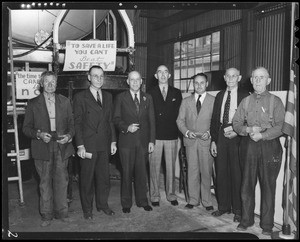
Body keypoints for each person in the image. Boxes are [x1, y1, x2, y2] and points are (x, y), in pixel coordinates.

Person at [232, 67, 285, 236]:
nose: (258, 81)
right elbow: (237, 124)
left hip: (270, 146)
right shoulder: (245, 101)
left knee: (268, 186)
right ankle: (246, 220)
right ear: (251, 80)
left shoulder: (275, 101)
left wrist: (263, 135)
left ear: (268, 81)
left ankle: (267, 225)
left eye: (261, 78)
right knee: (247, 184)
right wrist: (248, 130)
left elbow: (281, 127)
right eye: (255, 77)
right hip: (248, 146)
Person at [23, 71, 75, 227]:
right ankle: (46, 215)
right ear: (41, 83)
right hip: (42, 146)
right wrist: (38, 134)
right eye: (47, 82)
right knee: (45, 182)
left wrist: (69, 136)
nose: (50, 84)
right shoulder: (32, 103)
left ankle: (62, 213)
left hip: (61, 145)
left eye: (53, 81)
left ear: (57, 83)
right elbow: (26, 128)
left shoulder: (65, 101)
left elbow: (72, 125)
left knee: (62, 181)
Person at [73, 65, 117, 220]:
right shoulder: (80, 97)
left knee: (104, 178)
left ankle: (103, 205)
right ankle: (87, 209)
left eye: (101, 76)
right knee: (87, 179)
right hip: (88, 145)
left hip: (104, 144)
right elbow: (77, 123)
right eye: (95, 76)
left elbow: (110, 121)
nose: (99, 79)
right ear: (89, 77)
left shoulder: (109, 96)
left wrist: (113, 141)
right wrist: (80, 145)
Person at [210, 68, 249, 223]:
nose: (231, 78)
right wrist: (214, 140)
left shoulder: (245, 96)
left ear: (238, 78)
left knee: (236, 173)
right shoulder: (219, 95)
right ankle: (223, 206)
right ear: (225, 78)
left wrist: (237, 131)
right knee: (221, 172)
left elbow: (248, 118)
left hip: (237, 135)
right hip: (221, 134)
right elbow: (214, 119)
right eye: (228, 76)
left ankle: (238, 210)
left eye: (234, 76)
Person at [113, 70, 155, 213]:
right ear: (128, 81)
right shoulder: (120, 97)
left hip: (143, 142)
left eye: (138, 79)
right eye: (132, 79)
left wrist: (151, 141)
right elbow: (116, 119)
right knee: (126, 173)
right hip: (126, 142)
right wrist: (127, 127)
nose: (135, 82)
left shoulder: (147, 98)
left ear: (141, 82)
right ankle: (126, 203)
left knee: (141, 173)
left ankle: (143, 201)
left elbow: (152, 121)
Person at [176, 73, 215, 211]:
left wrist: (210, 133)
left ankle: (207, 201)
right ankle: (193, 200)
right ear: (193, 84)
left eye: (202, 83)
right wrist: (186, 132)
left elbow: (217, 122)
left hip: (206, 142)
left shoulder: (213, 100)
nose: (199, 85)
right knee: (192, 171)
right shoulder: (186, 101)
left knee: (206, 172)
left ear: (207, 84)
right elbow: (179, 120)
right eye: (196, 83)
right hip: (191, 141)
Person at [148, 65, 182, 207]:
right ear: (156, 76)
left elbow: (180, 115)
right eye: (159, 72)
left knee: (170, 168)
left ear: (169, 75)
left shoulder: (177, 92)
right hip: (155, 137)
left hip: (171, 136)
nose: (162, 74)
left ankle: (171, 194)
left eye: (165, 72)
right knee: (153, 168)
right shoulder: (149, 93)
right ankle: (154, 196)